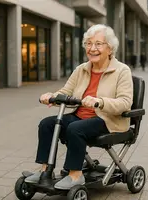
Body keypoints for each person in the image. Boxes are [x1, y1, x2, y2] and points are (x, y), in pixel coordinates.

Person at [24, 24, 133, 190]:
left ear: (110, 49)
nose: (92, 48)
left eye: (98, 44)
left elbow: (125, 102)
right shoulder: (81, 69)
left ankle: (75, 175)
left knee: (75, 128)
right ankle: (45, 170)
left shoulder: (122, 71)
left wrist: (100, 101)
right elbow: (66, 91)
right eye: (88, 44)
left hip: (108, 120)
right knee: (47, 124)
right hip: (80, 116)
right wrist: (51, 97)